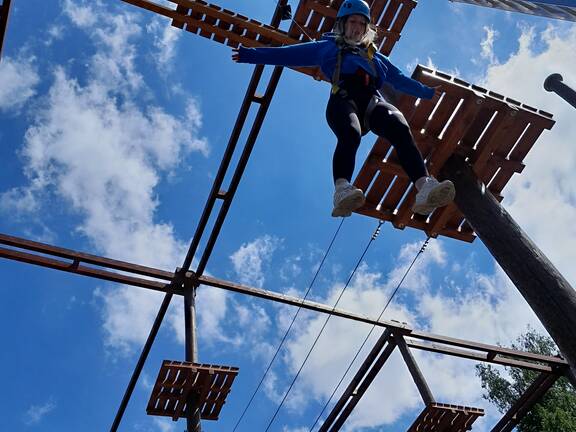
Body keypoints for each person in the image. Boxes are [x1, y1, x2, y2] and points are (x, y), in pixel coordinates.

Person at [232, 0, 455, 217]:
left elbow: (399, 80)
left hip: (371, 102)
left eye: (361, 24)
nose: (357, 28)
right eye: (353, 22)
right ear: (343, 24)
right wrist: (249, 55)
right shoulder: (328, 47)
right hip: (344, 99)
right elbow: (288, 54)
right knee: (350, 133)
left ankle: (424, 186)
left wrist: (426, 92)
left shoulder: (377, 57)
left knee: (399, 126)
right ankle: (342, 189)